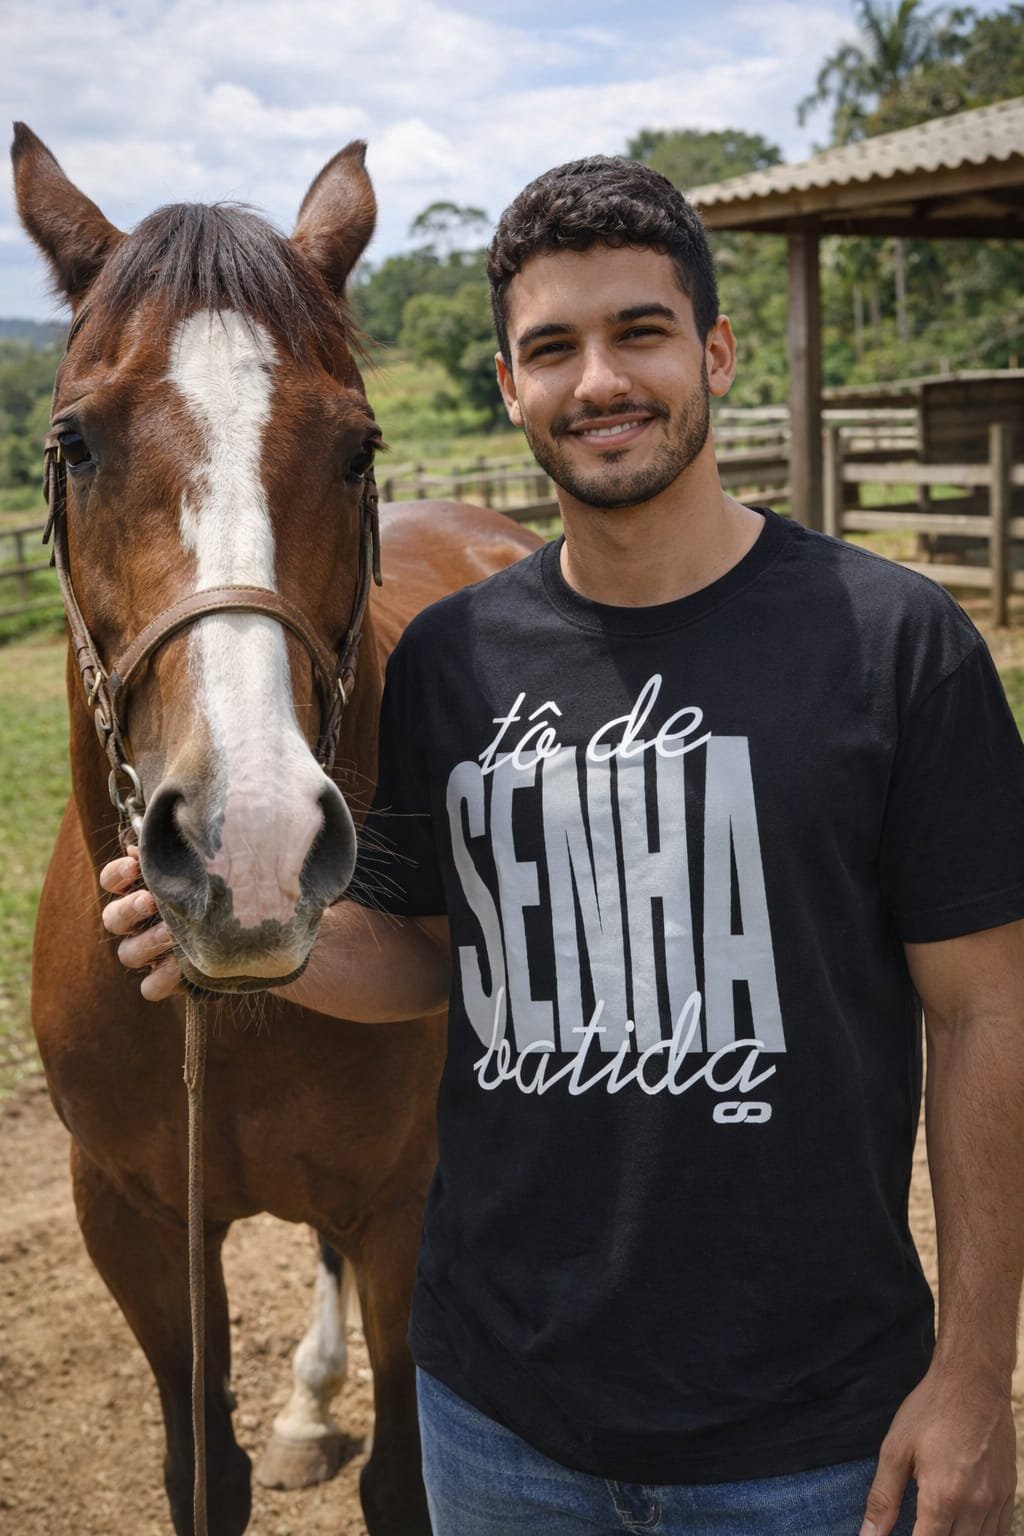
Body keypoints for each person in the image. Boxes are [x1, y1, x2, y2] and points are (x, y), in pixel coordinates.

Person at [102, 156, 1024, 1536]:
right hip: (497, 1429)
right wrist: (258, 932)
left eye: (639, 332)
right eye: (552, 349)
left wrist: (974, 1376)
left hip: (809, 1440)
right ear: (507, 385)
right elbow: (431, 955)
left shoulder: (901, 649)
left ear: (715, 352)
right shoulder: (453, 660)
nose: (598, 381)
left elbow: (988, 1015)